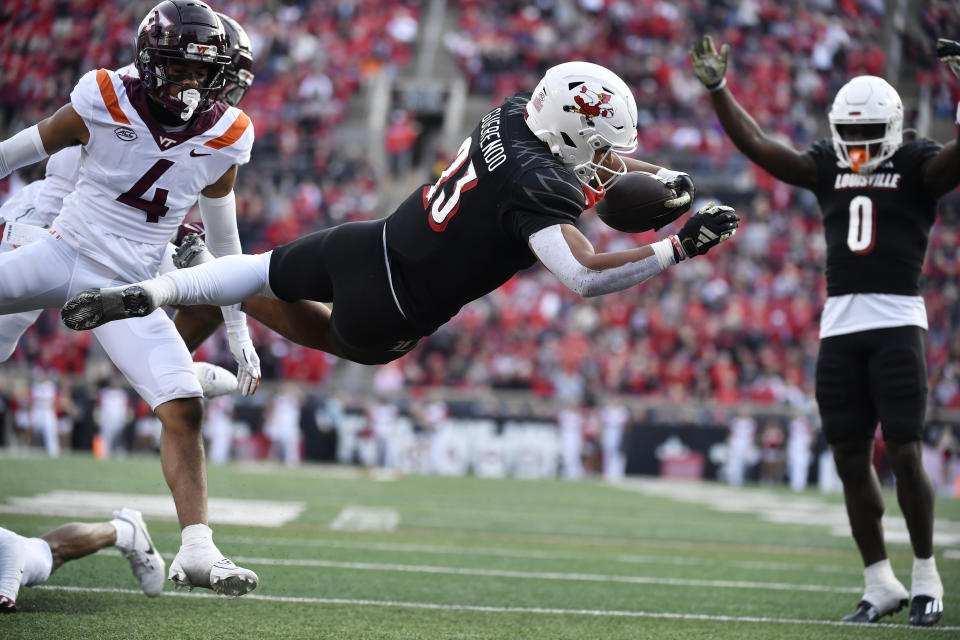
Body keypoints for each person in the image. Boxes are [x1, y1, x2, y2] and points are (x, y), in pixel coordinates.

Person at [61, 61, 740, 372]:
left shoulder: (511, 113)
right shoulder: (542, 190)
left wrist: (666, 180)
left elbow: (591, 158)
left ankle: (156, 289)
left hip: (366, 241)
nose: (614, 160)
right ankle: (190, 298)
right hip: (393, 309)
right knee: (330, 337)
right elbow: (584, 276)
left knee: (257, 271)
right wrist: (675, 250)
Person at [689, 35, 960, 626]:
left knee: (908, 452)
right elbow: (760, 146)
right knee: (848, 455)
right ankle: (878, 582)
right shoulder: (828, 164)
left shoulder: (917, 165)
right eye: (852, 136)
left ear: (892, 127)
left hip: (896, 320)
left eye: (868, 137)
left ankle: (924, 576)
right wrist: (718, 90)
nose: (858, 149)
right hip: (839, 325)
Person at [0, 1, 260, 597]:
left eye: (202, 73)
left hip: (129, 290)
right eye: (179, 69)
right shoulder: (103, 95)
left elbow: (227, 244)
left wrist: (240, 333)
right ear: (149, 61)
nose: (191, 85)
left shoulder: (228, 133)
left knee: (182, 405)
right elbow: (18, 152)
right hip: (63, 247)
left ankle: (197, 546)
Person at [0, 10, 258, 399]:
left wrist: (239, 328)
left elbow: (185, 209)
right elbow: (108, 177)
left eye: (206, 75)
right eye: (192, 71)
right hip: (52, 225)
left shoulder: (207, 125)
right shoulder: (121, 97)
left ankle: (173, 373)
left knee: (210, 283)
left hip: (122, 247)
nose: (201, 87)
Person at [0, 508, 165, 612]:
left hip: (11, 559)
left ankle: (123, 531)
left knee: (51, 551)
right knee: (49, 549)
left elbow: (11, 544)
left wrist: (5, 593)